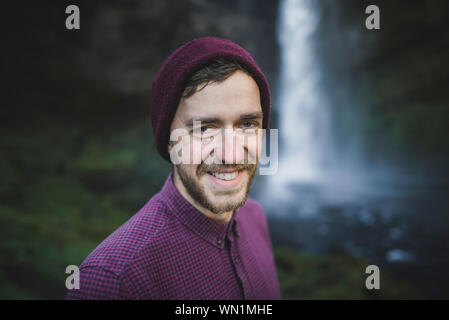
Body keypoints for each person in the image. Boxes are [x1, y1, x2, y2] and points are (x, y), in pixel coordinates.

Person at [66, 37, 280, 300]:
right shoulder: (111, 280)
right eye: (205, 128)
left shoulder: (255, 217)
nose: (231, 154)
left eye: (248, 124)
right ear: (169, 141)